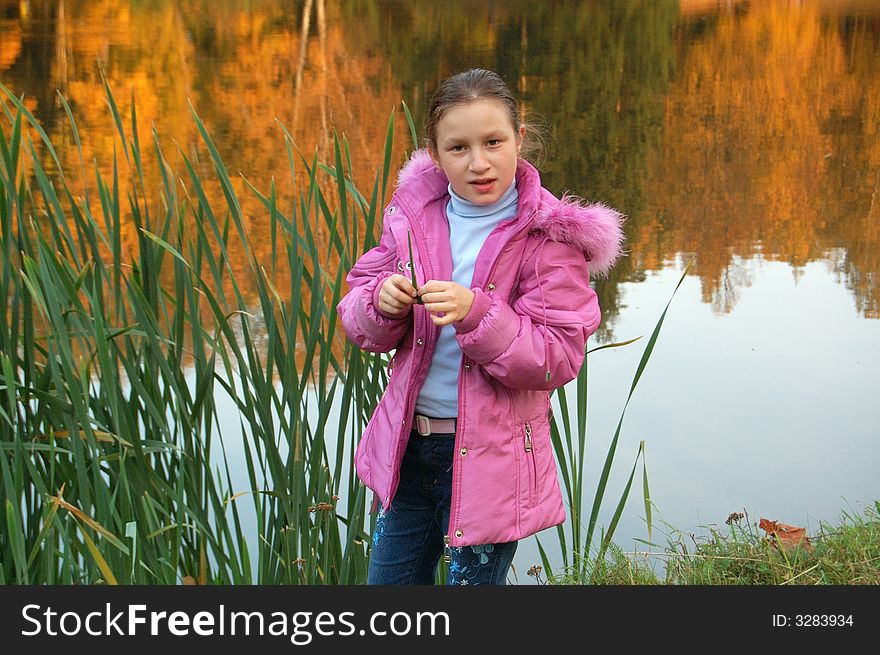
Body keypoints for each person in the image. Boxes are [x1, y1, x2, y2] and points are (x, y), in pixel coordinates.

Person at [336, 68, 624, 585]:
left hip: (492, 462)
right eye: (458, 148)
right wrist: (382, 303)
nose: (479, 163)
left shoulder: (547, 238)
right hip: (411, 449)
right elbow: (358, 317)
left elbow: (558, 356)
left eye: (493, 141)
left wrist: (477, 313)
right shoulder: (413, 217)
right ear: (436, 152)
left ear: (520, 137)